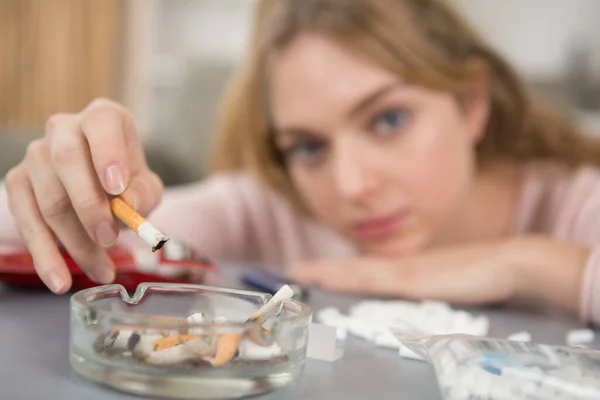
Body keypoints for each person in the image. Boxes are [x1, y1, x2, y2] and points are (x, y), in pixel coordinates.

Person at [2, 0, 600, 324]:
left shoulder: (577, 204)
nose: (351, 186)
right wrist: (53, 187)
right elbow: (37, 228)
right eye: (309, 147)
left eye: (388, 120)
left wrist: (532, 265)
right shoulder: (269, 207)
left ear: (471, 103)